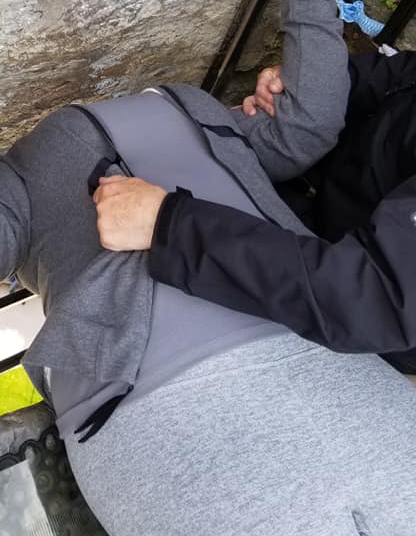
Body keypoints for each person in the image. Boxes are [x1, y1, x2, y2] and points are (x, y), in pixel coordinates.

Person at [0, 0, 416, 536]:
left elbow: (308, 129)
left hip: (257, 380)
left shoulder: (188, 125)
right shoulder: (199, 122)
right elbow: (309, 123)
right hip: (251, 389)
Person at [94, 47, 416, 368]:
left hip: (338, 318)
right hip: (308, 205)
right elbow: (394, 76)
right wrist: (304, 88)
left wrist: (171, 228)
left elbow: (370, 298)